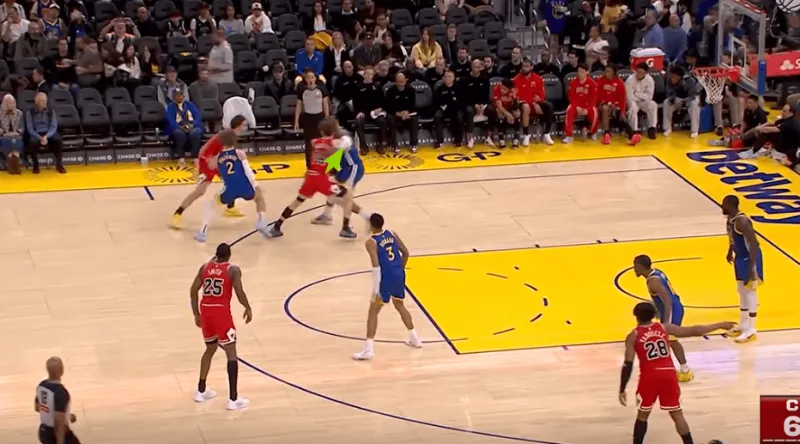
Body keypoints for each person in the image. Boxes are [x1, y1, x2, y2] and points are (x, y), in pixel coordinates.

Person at [619, 302, 733, 444]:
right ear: (654, 315)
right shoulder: (664, 328)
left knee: (642, 416)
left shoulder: (633, 335)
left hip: (649, 376)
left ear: (636, 316)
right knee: (677, 414)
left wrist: (622, 389)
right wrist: (720, 324)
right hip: (668, 374)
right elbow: (693, 330)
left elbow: (628, 364)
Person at [266, 118, 368, 238]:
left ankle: (277, 226)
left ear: (321, 131)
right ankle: (345, 228)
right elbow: (346, 143)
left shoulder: (315, 142)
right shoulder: (334, 143)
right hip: (322, 180)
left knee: (296, 202)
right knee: (347, 195)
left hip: (310, 176)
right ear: (334, 131)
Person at [189, 243, 251, 411]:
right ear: (229, 256)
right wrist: (247, 307)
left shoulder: (204, 268)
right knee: (231, 353)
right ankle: (233, 399)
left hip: (206, 312)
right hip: (221, 313)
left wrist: (196, 314)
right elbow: (239, 292)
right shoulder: (233, 270)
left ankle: (201, 390)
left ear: (216, 254)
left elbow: (193, 290)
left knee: (210, 349)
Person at [353, 213, 421, 360]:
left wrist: (376, 290)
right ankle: (415, 338)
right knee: (400, 305)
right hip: (399, 275)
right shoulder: (392, 233)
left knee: (373, 312)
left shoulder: (371, 242)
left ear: (371, 225)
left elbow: (376, 267)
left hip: (385, 278)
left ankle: (368, 349)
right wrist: (399, 270)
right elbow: (406, 253)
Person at [171, 116, 249, 230]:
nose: (246, 127)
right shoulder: (228, 135)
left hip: (217, 161)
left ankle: (230, 207)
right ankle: (178, 213)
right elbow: (206, 150)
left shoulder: (231, 135)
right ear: (238, 126)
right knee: (200, 191)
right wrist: (200, 163)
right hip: (207, 161)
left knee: (232, 181)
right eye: (244, 125)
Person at [195, 130, 270, 242]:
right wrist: (256, 186)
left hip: (229, 190)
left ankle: (202, 232)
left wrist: (202, 172)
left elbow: (210, 166)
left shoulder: (217, 157)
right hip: (245, 188)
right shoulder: (240, 153)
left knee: (210, 205)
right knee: (259, 198)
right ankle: (262, 222)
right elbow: (248, 172)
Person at [633, 255, 694, 382]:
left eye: (635, 266)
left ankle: (685, 370)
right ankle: (673, 369)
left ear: (640, 266)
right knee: (668, 340)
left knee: (671, 340)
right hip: (672, 308)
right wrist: (657, 309)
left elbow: (667, 301)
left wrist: (666, 322)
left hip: (672, 310)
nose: (634, 269)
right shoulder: (656, 273)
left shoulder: (653, 282)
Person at [311, 128, 369, 238]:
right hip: (344, 169)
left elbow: (335, 150)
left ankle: (349, 225)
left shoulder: (345, 140)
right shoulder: (331, 142)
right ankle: (326, 215)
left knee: (346, 197)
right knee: (332, 189)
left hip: (353, 168)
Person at [723, 195, 762, 343]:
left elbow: (754, 244)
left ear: (731, 205)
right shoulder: (731, 220)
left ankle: (751, 328)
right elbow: (733, 238)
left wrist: (752, 268)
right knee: (741, 289)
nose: (722, 207)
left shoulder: (742, 221)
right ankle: (743, 324)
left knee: (750, 291)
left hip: (749, 257)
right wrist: (730, 250)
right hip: (740, 257)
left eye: (724, 204)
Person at [35, 357, 80, 444]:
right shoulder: (61, 393)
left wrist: (67, 416)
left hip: (44, 431)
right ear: (62, 370)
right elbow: (59, 422)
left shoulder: (41, 386)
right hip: (55, 435)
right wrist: (60, 441)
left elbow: (37, 407)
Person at [514, 58, 555, 146]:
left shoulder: (538, 78)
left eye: (526, 66)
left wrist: (538, 101)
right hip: (524, 104)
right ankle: (526, 135)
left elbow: (541, 95)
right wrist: (532, 102)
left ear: (531, 67)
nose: (524, 68)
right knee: (526, 107)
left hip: (535, 103)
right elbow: (518, 97)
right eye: (523, 66)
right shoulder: (516, 79)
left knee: (549, 106)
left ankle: (547, 134)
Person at [295, 69, 330, 168]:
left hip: (319, 117)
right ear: (305, 79)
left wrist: (327, 118)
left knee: (321, 142)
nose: (310, 79)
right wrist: (296, 121)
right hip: (308, 118)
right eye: (308, 77)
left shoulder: (321, 89)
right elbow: (298, 106)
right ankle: (309, 165)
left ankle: (323, 164)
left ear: (315, 79)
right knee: (308, 143)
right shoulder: (302, 90)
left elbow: (325, 105)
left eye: (312, 77)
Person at [597, 64, 638, 145]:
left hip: (615, 105)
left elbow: (622, 98)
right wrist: (609, 103)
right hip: (603, 103)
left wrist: (622, 110)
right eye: (605, 71)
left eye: (608, 71)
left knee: (621, 115)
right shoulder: (600, 80)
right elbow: (598, 96)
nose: (605, 73)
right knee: (605, 108)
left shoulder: (619, 82)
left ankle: (631, 135)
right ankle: (606, 134)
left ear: (613, 72)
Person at [25, 92, 63, 174]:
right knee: (32, 142)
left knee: (58, 139)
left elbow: (53, 126)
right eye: (42, 101)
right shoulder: (30, 112)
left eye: (45, 100)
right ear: (36, 102)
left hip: (49, 133)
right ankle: (36, 165)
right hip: (36, 133)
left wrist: (46, 136)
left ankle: (59, 165)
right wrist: (40, 138)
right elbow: (30, 129)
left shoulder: (51, 111)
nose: (44, 102)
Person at [353, 65, 387, 155]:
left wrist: (380, 109)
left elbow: (383, 101)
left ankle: (380, 144)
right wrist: (358, 112)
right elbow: (355, 102)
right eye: (367, 74)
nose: (368, 76)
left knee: (383, 121)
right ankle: (363, 146)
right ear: (364, 75)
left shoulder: (377, 86)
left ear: (373, 75)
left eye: (371, 74)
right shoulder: (358, 87)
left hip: (375, 113)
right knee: (358, 122)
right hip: (364, 113)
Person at [165, 89, 203, 164]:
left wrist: (193, 125)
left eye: (180, 95)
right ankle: (181, 157)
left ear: (183, 96)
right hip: (179, 126)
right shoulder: (170, 106)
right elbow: (170, 119)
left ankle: (195, 157)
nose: (179, 97)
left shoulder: (190, 104)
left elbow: (198, 116)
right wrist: (179, 127)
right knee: (178, 133)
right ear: (173, 97)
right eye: (177, 95)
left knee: (197, 132)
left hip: (191, 125)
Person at [563, 64, 598, 143]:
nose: (579, 74)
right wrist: (576, 107)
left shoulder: (592, 84)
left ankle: (592, 132)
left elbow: (593, 99)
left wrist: (587, 109)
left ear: (587, 72)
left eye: (582, 72)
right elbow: (571, 97)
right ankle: (569, 136)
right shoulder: (573, 82)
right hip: (576, 105)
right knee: (569, 110)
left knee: (594, 111)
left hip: (587, 105)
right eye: (578, 71)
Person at [385, 72, 418, 153]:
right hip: (395, 113)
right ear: (395, 82)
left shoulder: (411, 90)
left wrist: (407, 112)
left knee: (414, 119)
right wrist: (398, 114)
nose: (400, 84)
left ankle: (414, 144)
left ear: (405, 81)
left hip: (407, 113)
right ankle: (394, 145)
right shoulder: (390, 91)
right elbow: (388, 107)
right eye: (398, 82)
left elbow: (413, 105)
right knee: (391, 118)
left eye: (402, 81)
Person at [663, 65, 700, 138]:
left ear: (679, 76)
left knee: (694, 104)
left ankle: (694, 130)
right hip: (678, 99)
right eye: (671, 76)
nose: (672, 78)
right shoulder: (670, 81)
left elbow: (692, 95)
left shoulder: (690, 80)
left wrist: (685, 101)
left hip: (689, 99)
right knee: (666, 102)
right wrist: (672, 98)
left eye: (674, 77)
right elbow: (669, 93)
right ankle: (667, 128)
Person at [625, 62, 658, 139]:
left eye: (641, 73)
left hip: (643, 101)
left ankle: (652, 129)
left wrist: (636, 93)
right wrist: (642, 96)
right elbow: (629, 96)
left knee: (653, 105)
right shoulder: (630, 80)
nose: (639, 74)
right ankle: (633, 131)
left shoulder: (650, 80)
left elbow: (649, 96)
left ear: (646, 73)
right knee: (632, 107)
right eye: (638, 71)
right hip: (632, 101)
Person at [433, 70, 464, 148]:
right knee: (437, 116)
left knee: (459, 117)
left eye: (449, 76)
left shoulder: (458, 88)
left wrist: (450, 103)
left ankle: (458, 140)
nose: (447, 78)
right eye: (445, 76)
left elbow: (460, 102)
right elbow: (437, 102)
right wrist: (448, 103)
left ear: (453, 78)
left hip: (455, 109)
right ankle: (439, 141)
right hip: (443, 109)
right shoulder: (439, 89)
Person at [492, 78, 524, 148]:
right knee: (500, 113)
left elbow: (516, 106)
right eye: (501, 88)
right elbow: (499, 106)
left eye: (504, 89)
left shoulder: (514, 90)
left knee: (517, 113)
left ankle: (516, 138)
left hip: (510, 107)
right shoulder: (497, 88)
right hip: (500, 108)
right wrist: (508, 114)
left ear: (510, 89)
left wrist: (514, 98)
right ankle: (501, 139)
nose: (501, 90)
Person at [0, 94, 23, 174]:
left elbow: (22, 128)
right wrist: (3, 132)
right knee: (7, 140)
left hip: (16, 135)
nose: (12, 105)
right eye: (9, 103)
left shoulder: (19, 113)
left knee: (17, 140)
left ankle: (16, 160)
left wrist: (17, 133)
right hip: (3, 135)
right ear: (4, 103)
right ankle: (11, 163)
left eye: (13, 102)